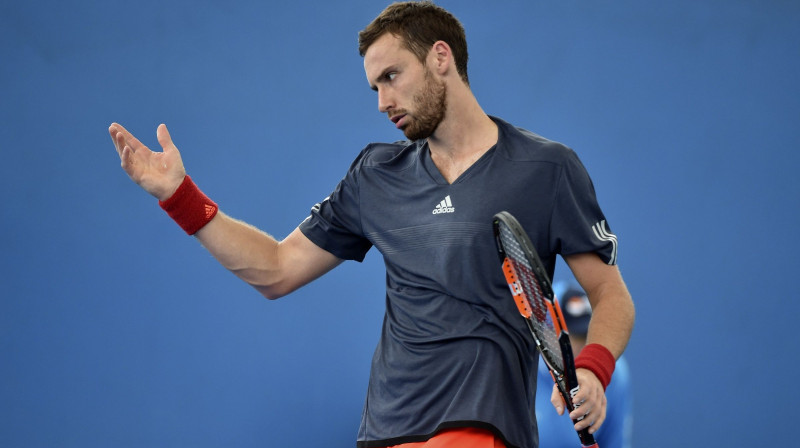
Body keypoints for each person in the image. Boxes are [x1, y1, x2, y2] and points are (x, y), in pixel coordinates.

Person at [108, 2, 635, 448]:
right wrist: (180, 196)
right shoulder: (375, 174)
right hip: (385, 431)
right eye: (374, 88)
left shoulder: (546, 169)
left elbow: (611, 296)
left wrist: (591, 367)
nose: (383, 102)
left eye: (391, 77)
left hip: (479, 427)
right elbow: (276, 269)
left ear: (441, 58)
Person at [535, 283, 633, 448]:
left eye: (585, 336)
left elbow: (615, 443)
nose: (582, 347)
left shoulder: (615, 373)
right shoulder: (520, 369)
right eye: (571, 337)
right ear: (546, 333)